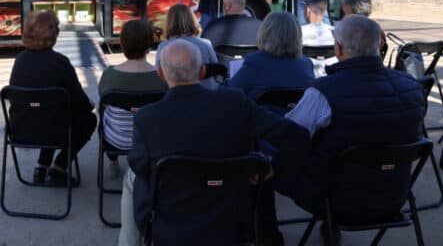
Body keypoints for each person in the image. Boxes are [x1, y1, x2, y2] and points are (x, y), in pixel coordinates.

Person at [119, 40, 310, 246]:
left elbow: (140, 166)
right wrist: (270, 166)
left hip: (172, 226)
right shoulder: (235, 102)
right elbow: (294, 135)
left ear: (160, 74)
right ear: (202, 71)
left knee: (134, 175)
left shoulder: (147, 118)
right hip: (235, 221)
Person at [264, 15, 426, 243]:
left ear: (338, 48)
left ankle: (267, 236)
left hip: (334, 200)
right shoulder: (412, 87)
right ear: (380, 45)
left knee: (264, 165)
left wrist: (272, 167)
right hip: (394, 196)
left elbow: (290, 135)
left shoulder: (324, 92)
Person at [8, 10, 97, 186]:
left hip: (20, 130)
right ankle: (59, 167)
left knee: (43, 110)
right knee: (88, 119)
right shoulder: (60, 62)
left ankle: (41, 167)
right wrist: (89, 104)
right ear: (53, 34)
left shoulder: (19, 60)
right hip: (56, 131)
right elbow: (80, 102)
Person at [98, 19, 167, 177]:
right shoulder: (162, 76)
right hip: (152, 141)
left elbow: (102, 104)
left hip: (116, 140)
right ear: (149, 43)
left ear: (123, 44)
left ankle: (113, 160)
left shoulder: (109, 74)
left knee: (106, 114)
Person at [227, 11, 315, 110]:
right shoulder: (306, 64)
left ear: (265, 34)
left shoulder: (255, 63)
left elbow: (230, 92)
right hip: (295, 119)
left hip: (261, 118)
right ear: (297, 36)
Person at [155, 4, 218, 88]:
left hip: (175, 91)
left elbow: (159, 74)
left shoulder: (163, 46)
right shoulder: (205, 44)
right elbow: (216, 69)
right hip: (206, 91)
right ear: (192, 20)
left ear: (169, 22)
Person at [301, 0, 337, 77]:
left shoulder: (298, 32)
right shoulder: (336, 32)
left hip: (306, 76)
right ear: (324, 12)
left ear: (308, 10)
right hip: (331, 77)